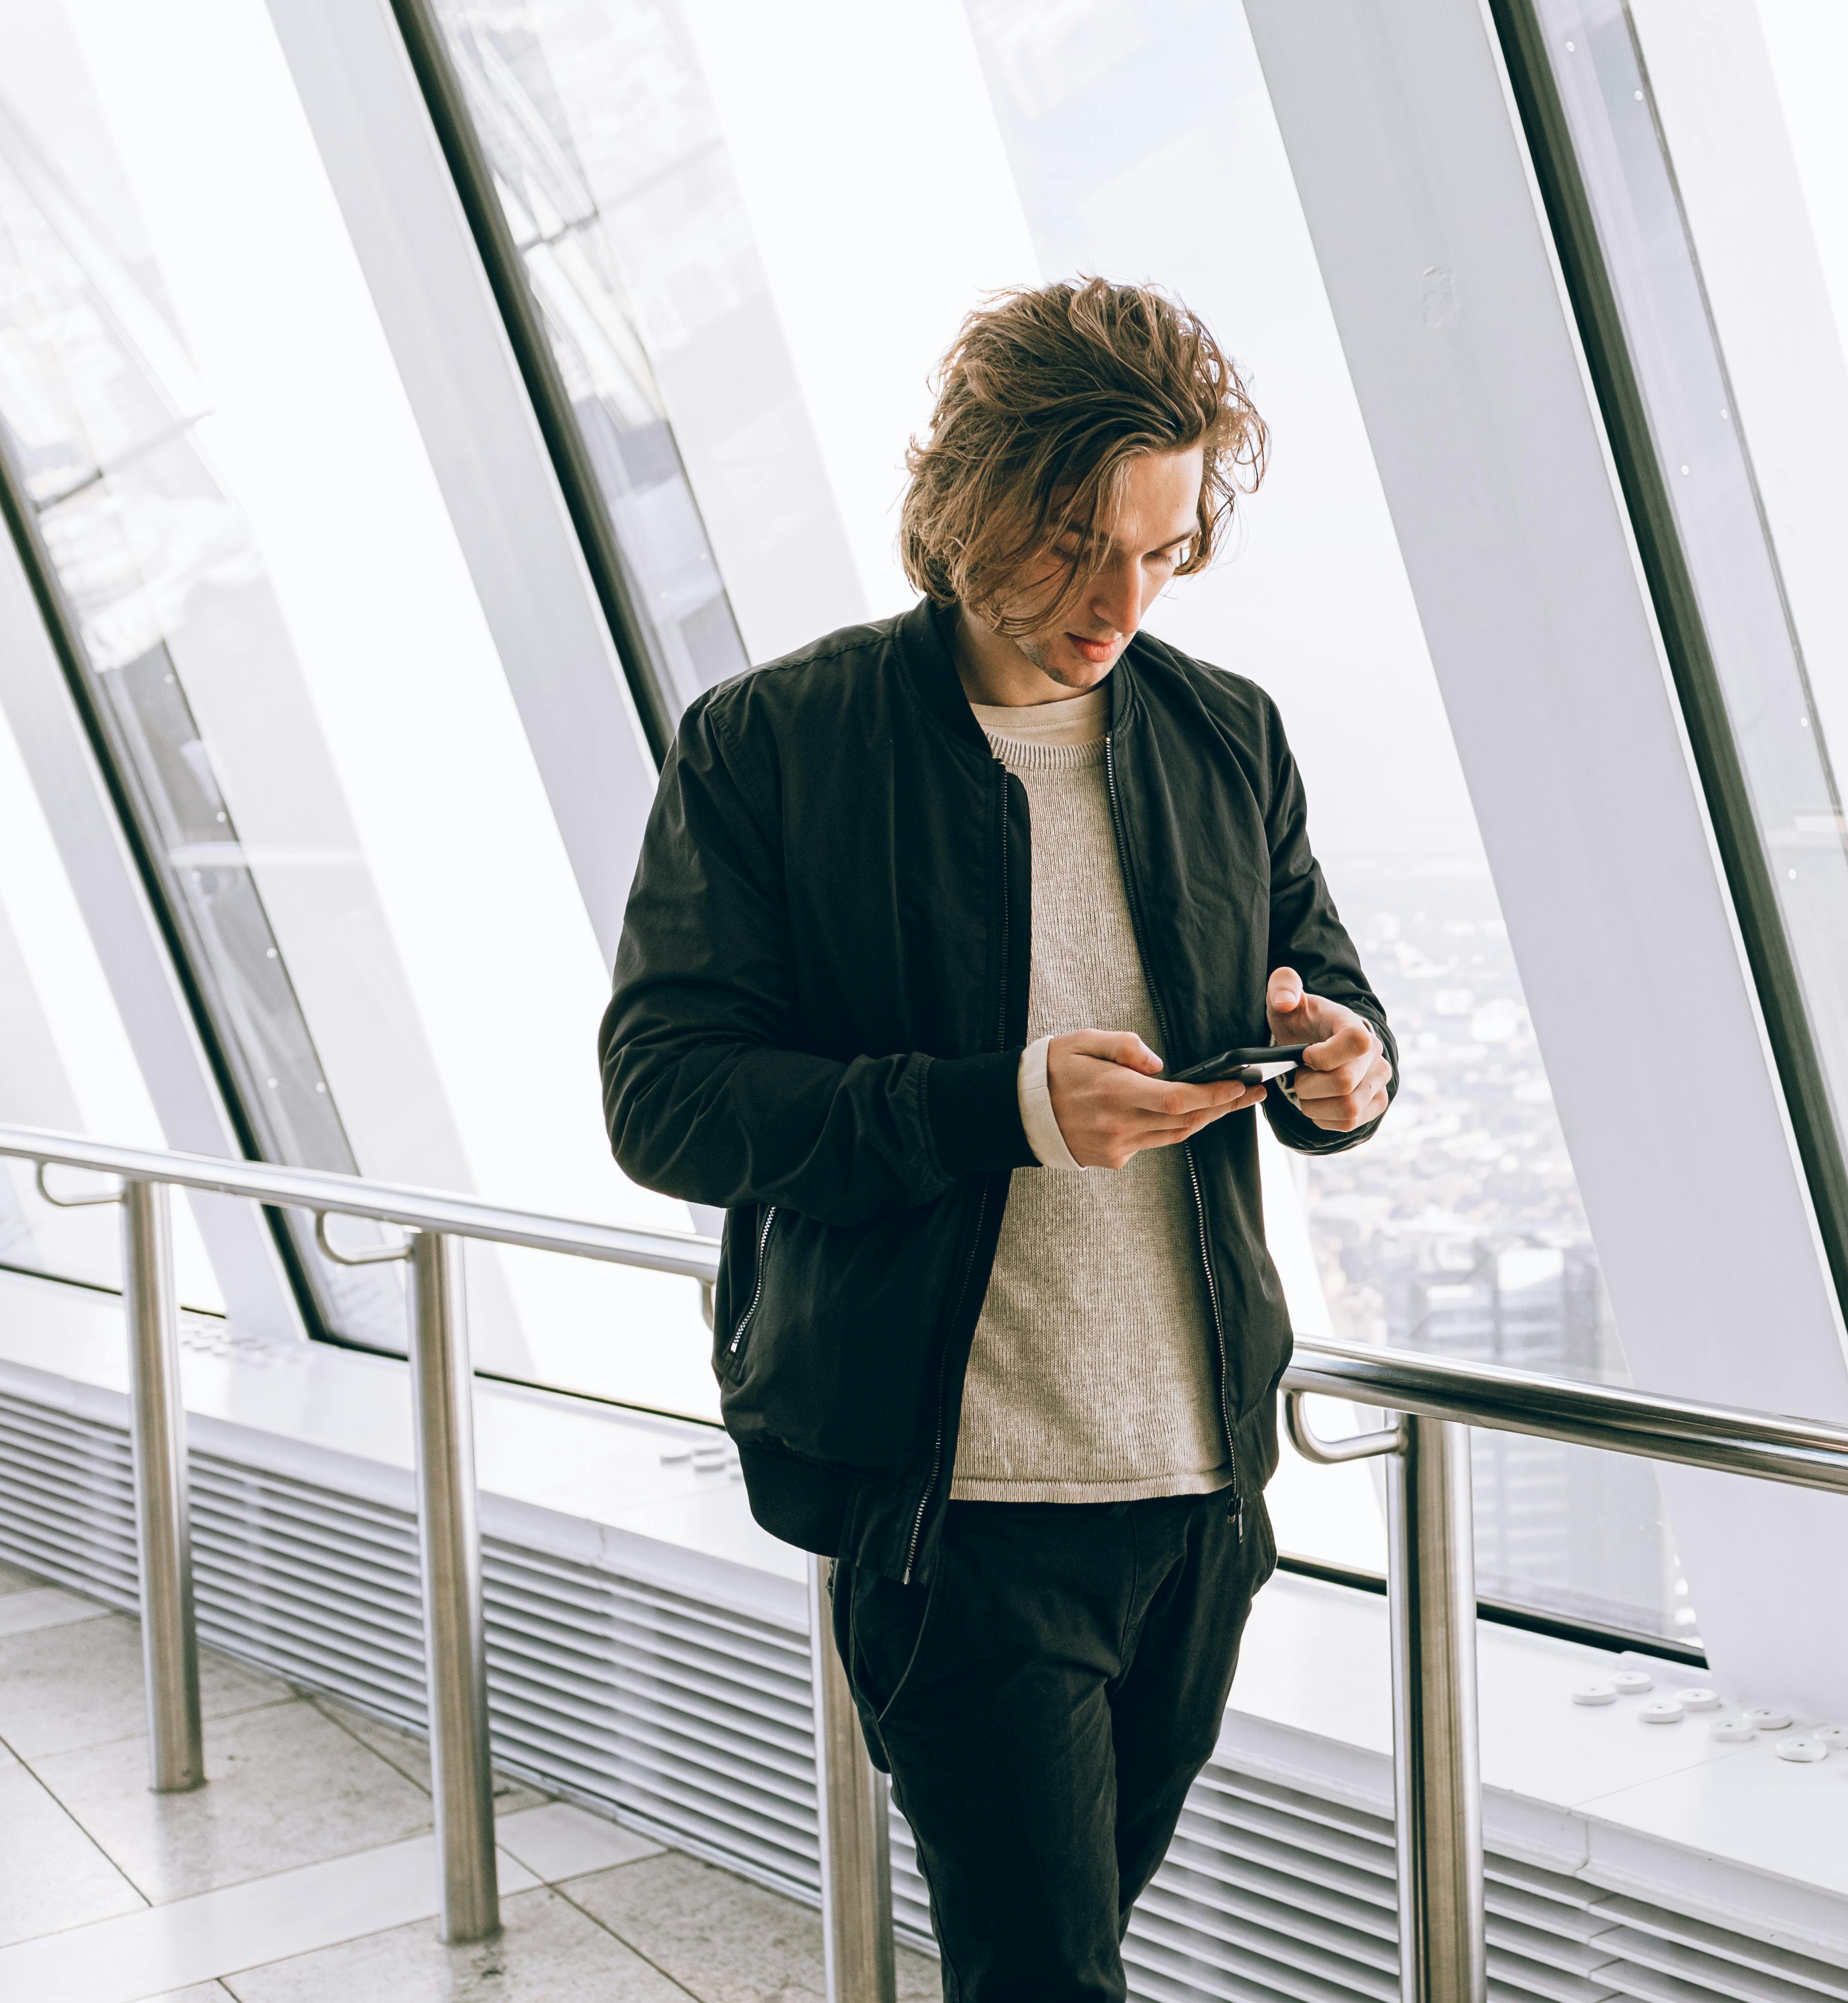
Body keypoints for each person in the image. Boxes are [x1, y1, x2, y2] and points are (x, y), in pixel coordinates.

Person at [598, 278, 1396, 2001]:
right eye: (1077, 548)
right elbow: (664, 1098)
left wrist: (1349, 1066)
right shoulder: (776, 747)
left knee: (1055, 1965)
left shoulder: (1223, 734)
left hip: (1198, 1497)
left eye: (1167, 550)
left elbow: (1318, 978)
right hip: (955, 1515)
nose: (1125, 599)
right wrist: (1007, 1107)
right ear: (966, 506)